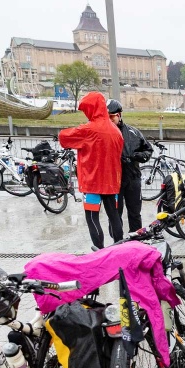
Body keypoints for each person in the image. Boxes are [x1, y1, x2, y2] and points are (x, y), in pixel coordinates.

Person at [58, 92, 124, 250]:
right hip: (111, 182)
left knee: (92, 217)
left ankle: (99, 251)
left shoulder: (88, 129)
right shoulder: (116, 131)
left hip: (92, 182)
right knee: (114, 216)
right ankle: (119, 248)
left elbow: (64, 138)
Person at [106, 99, 153, 234]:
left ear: (119, 115)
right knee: (115, 214)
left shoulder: (133, 132)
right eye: (106, 117)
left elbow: (148, 150)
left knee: (135, 213)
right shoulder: (104, 134)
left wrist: (137, 156)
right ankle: (117, 240)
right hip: (114, 181)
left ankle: (136, 239)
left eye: (111, 117)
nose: (109, 120)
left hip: (132, 178)